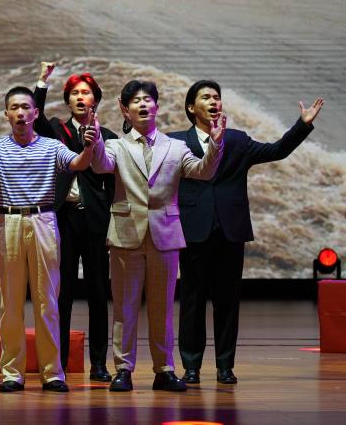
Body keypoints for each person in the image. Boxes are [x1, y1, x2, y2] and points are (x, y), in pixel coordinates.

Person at [172, 81, 323, 385]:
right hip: (193, 229)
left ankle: (225, 366)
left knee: (228, 301)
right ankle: (191, 366)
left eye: (217, 97)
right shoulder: (176, 142)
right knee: (191, 301)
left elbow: (277, 150)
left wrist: (302, 125)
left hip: (230, 229)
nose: (214, 102)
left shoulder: (237, 140)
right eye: (206, 97)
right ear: (191, 107)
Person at [87, 80, 225, 393]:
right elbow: (100, 165)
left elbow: (203, 171)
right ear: (125, 110)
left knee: (162, 309)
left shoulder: (175, 147)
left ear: (157, 106)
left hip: (165, 235)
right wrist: (94, 141)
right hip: (126, 235)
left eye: (148, 99)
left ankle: (164, 370)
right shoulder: (116, 146)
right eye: (136, 101)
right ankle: (123, 369)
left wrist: (216, 145)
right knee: (124, 309)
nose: (143, 104)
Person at [0, 86, 94, 394]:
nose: (20, 113)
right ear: (6, 114)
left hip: (43, 220)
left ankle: (52, 373)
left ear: (35, 113)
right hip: (7, 220)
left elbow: (78, 164)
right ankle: (12, 373)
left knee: (47, 300)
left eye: (26, 107)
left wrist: (90, 146)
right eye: (14, 108)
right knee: (10, 302)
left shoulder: (51, 146)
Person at [33, 62, 116, 382]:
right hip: (63, 218)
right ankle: (60, 363)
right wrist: (42, 81)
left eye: (87, 93)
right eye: (75, 93)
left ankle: (99, 364)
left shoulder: (108, 137)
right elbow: (35, 117)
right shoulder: (57, 131)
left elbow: (112, 184)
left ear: (96, 100)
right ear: (68, 101)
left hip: (95, 220)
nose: (81, 97)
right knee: (62, 292)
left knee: (98, 291)